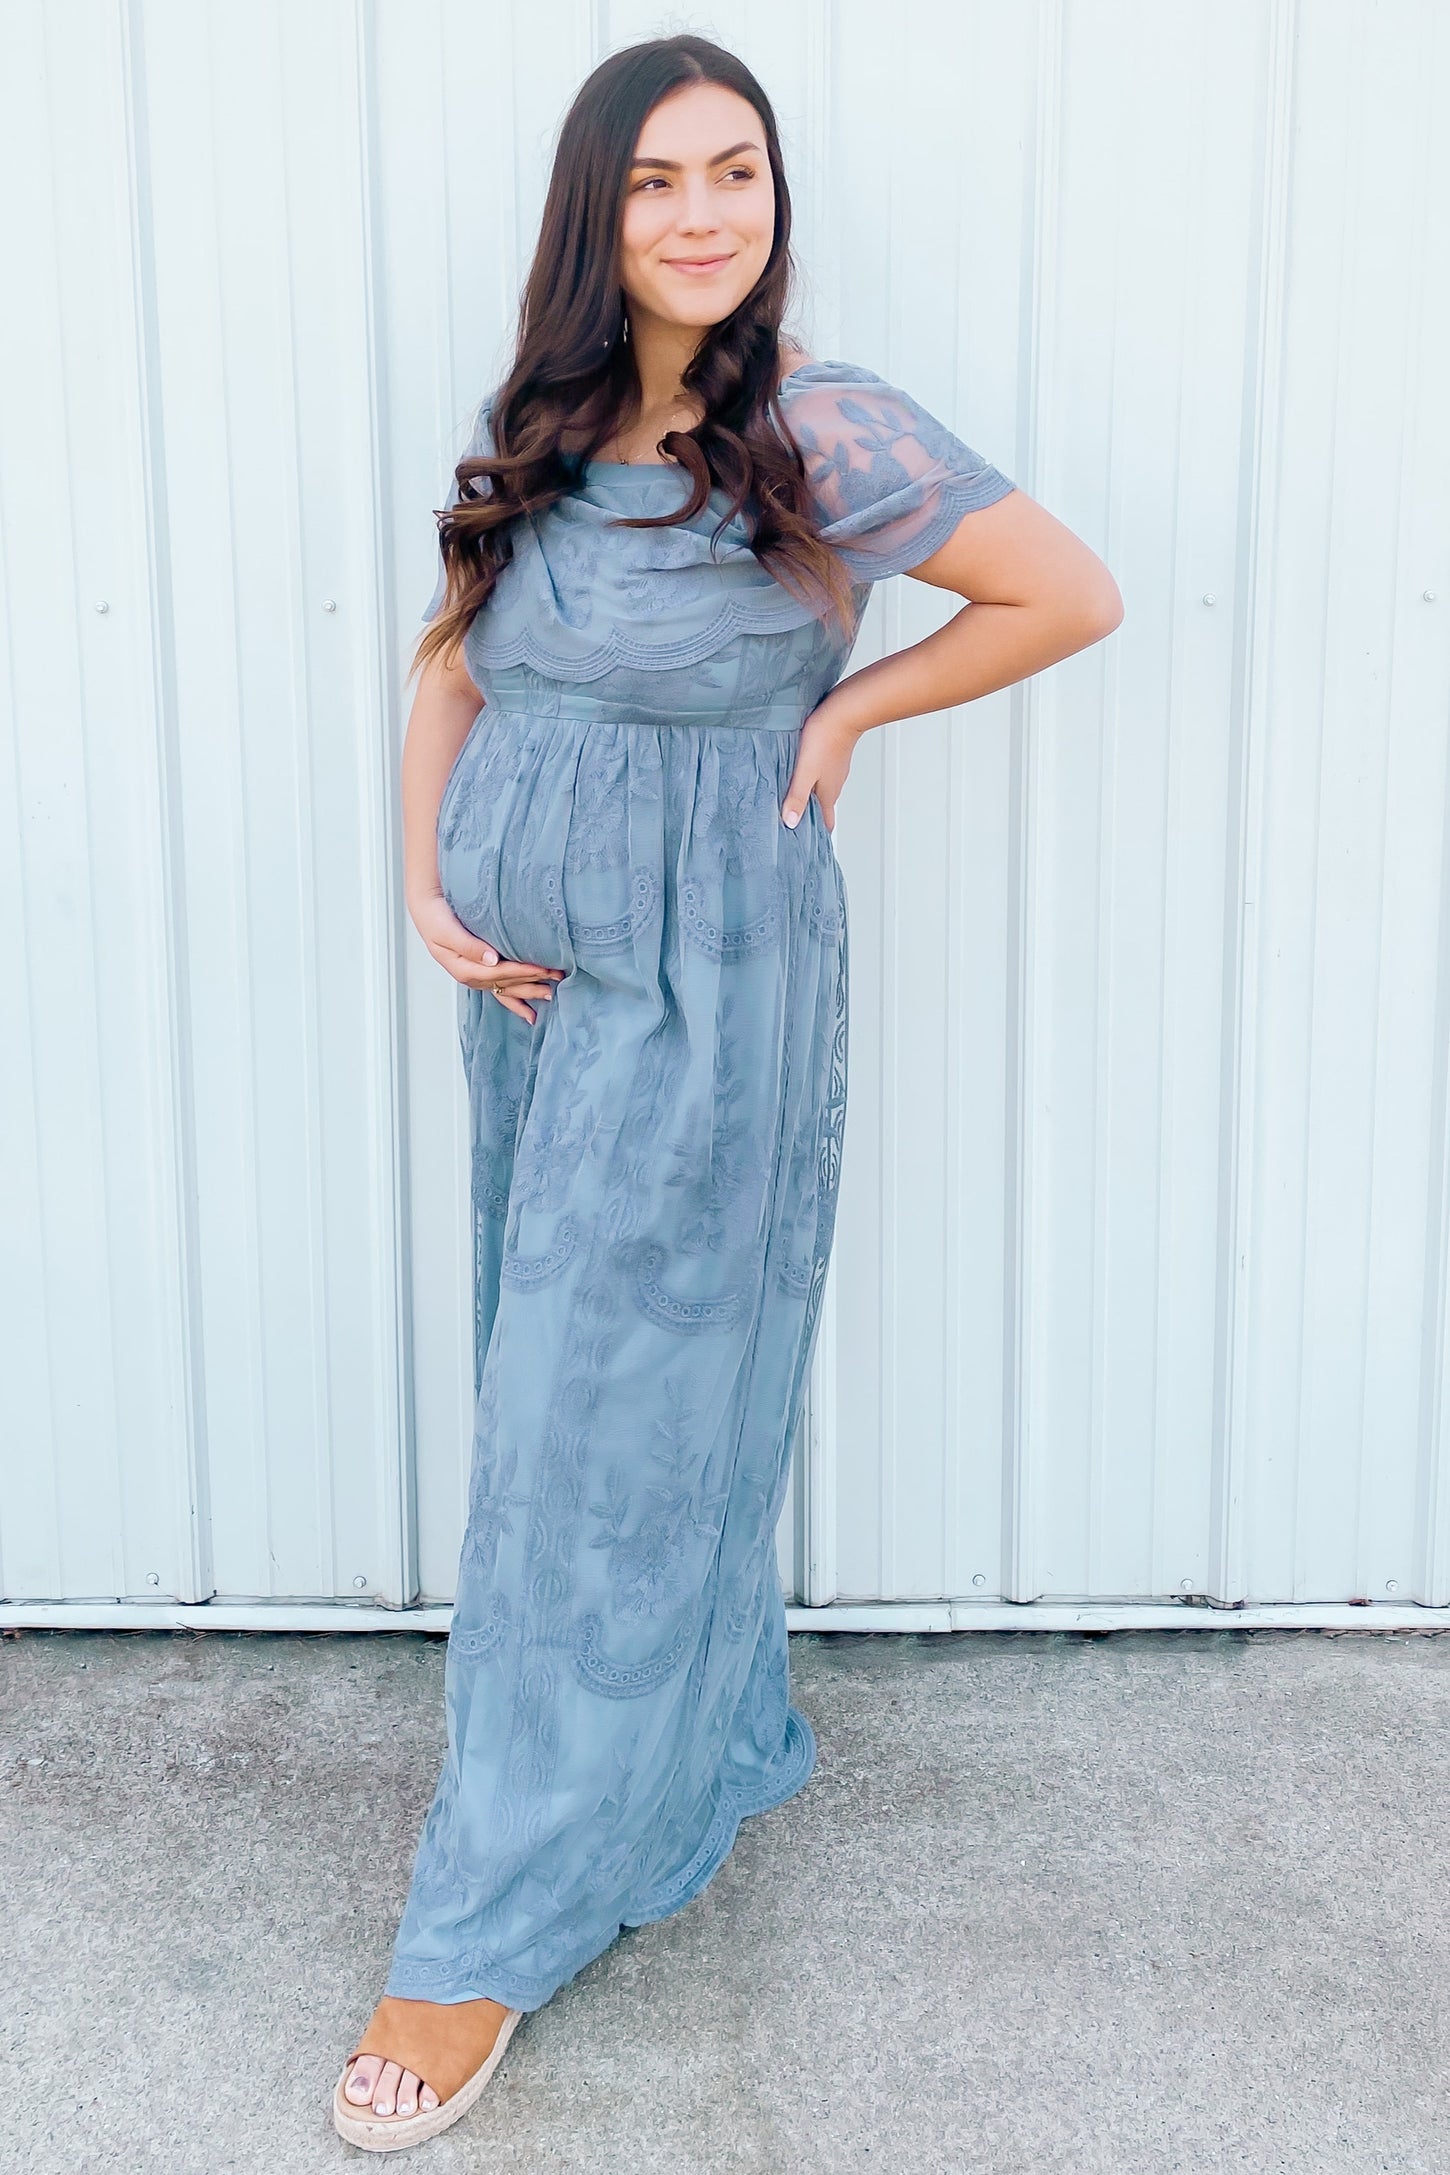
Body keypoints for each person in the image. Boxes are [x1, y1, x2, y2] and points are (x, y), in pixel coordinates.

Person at [333, 31, 1121, 2153]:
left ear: (775, 197)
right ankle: (682, 1753)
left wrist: (852, 713)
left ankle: (479, 1927)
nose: (703, 215)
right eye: (657, 181)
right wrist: (422, 878)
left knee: (590, 1437)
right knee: (583, 1406)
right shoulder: (549, 418)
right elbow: (456, 656)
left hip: (710, 995)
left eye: (737, 172)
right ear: (594, 216)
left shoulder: (821, 425)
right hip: (532, 1002)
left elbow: (1063, 591)